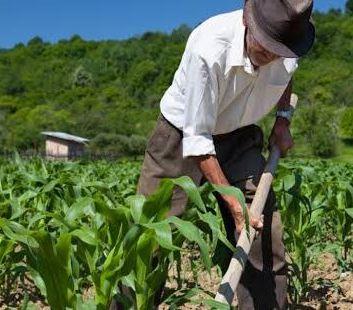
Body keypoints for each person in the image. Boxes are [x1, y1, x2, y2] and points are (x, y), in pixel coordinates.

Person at [120, 0, 315, 309]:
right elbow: (197, 140)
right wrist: (235, 208)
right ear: (247, 22)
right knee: (151, 237)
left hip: (240, 134)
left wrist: (282, 120)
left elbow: (287, 74)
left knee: (263, 232)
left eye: (280, 52)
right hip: (181, 134)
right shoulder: (208, 48)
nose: (272, 58)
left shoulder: (288, 46)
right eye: (265, 48)